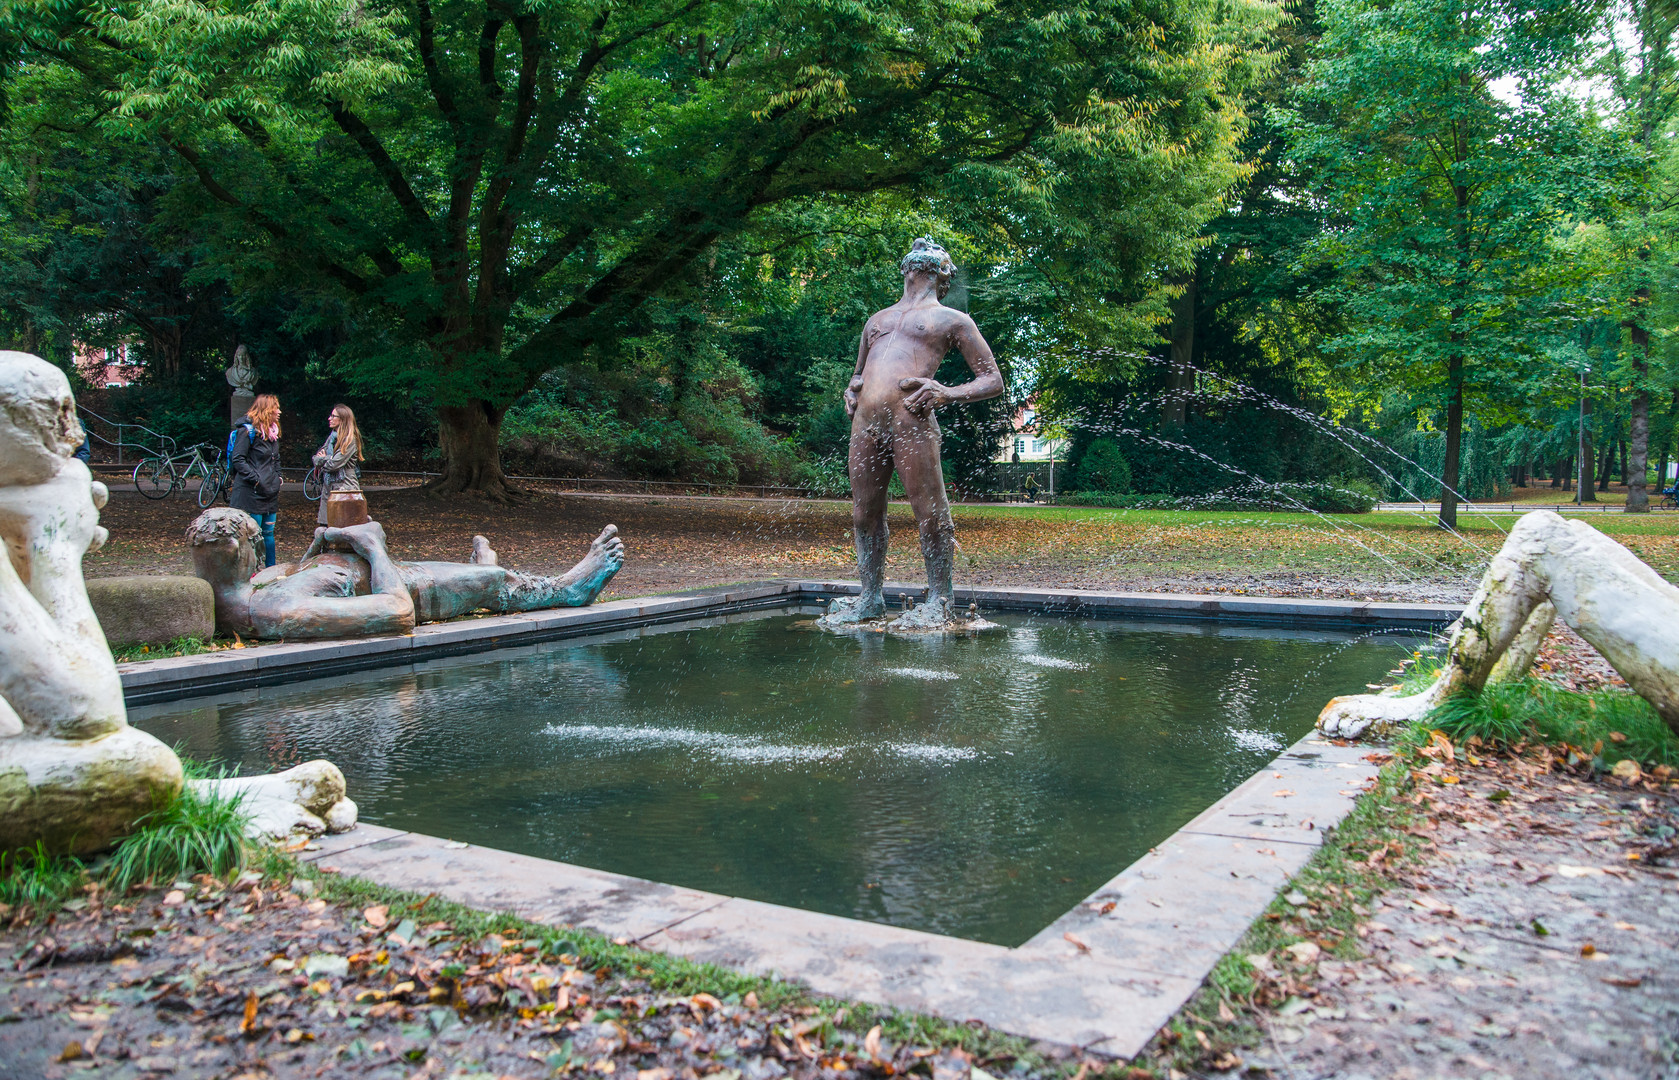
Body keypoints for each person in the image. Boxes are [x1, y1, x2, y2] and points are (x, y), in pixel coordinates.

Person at [820, 237, 1004, 631]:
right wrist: (851, 390)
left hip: (912, 422)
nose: (924, 246)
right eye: (919, 249)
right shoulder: (877, 320)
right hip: (866, 425)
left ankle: (940, 599)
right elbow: (858, 373)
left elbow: (993, 380)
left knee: (930, 512)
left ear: (943, 275)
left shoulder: (952, 319)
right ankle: (869, 597)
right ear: (905, 269)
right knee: (864, 512)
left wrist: (946, 392)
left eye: (933, 249)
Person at [186, 508, 624, 639]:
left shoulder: (259, 587)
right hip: (408, 586)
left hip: (391, 571)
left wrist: (331, 546)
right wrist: (373, 545)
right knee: (491, 583)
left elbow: (301, 573)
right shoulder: (275, 609)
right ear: (248, 551)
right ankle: (569, 589)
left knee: (477, 577)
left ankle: (481, 570)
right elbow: (397, 613)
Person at [228, 393, 283, 567]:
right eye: (276, 407)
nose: (279, 411)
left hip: (269, 493)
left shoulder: (273, 433)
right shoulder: (247, 431)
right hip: (250, 493)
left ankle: (270, 572)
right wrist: (255, 479)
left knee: (269, 534)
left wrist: (278, 477)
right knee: (251, 536)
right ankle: (250, 574)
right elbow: (238, 459)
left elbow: (276, 459)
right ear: (266, 410)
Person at [312, 404, 364, 525]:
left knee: (343, 527)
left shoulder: (350, 440)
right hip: (329, 487)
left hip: (345, 488)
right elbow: (316, 458)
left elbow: (334, 464)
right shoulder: (332, 438)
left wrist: (324, 459)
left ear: (343, 419)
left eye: (333, 416)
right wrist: (327, 459)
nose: (329, 418)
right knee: (325, 526)